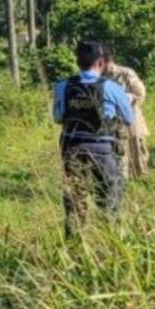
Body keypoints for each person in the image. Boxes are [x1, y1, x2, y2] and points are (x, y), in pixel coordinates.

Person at [53, 41, 134, 235]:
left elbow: (57, 118)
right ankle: (109, 237)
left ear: (77, 61)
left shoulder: (63, 86)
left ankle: (74, 241)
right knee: (111, 195)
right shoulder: (112, 88)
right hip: (103, 150)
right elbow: (129, 119)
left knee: (74, 200)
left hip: (72, 148)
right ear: (100, 62)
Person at [102, 47, 149, 179]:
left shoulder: (125, 73)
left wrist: (127, 97)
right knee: (119, 159)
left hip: (131, 121)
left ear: (107, 61)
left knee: (138, 157)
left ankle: (142, 185)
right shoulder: (100, 78)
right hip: (112, 126)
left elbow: (140, 94)